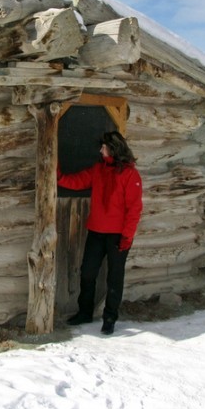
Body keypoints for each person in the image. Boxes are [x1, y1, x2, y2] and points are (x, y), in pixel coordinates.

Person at [57, 131, 143, 335]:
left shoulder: (131, 174)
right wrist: (58, 175)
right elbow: (77, 182)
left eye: (103, 147)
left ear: (113, 148)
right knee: (87, 273)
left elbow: (134, 208)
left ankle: (110, 318)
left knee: (115, 277)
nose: (100, 150)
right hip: (96, 232)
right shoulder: (98, 169)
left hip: (118, 235)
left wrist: (127, 237)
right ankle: (85, 312)